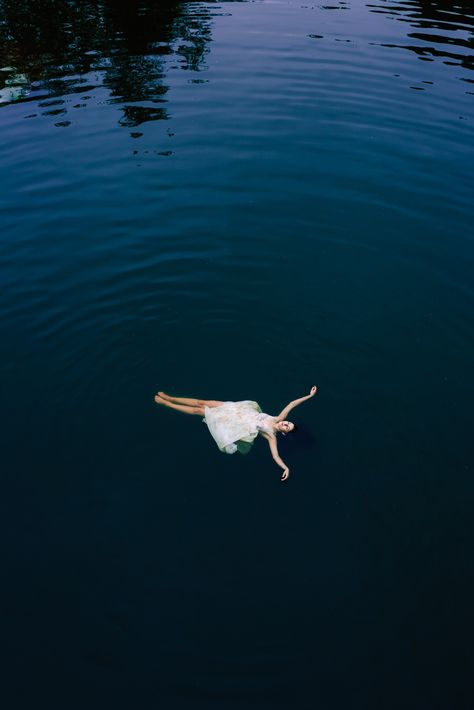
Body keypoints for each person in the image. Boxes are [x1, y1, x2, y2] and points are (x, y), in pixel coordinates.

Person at [154, 386, 317, 482]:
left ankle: (167, 404)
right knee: (202, 402)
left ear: (283, 433)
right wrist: (309, 396)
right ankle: (171, 397)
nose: (285, 423)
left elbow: (275, 456)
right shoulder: (278, 417)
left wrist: (285, 467)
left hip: (232, 421)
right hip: (236, 409)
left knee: (199, 411)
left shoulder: (271, 436)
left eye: (286, 427)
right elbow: (292, 404)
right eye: (287, 422)